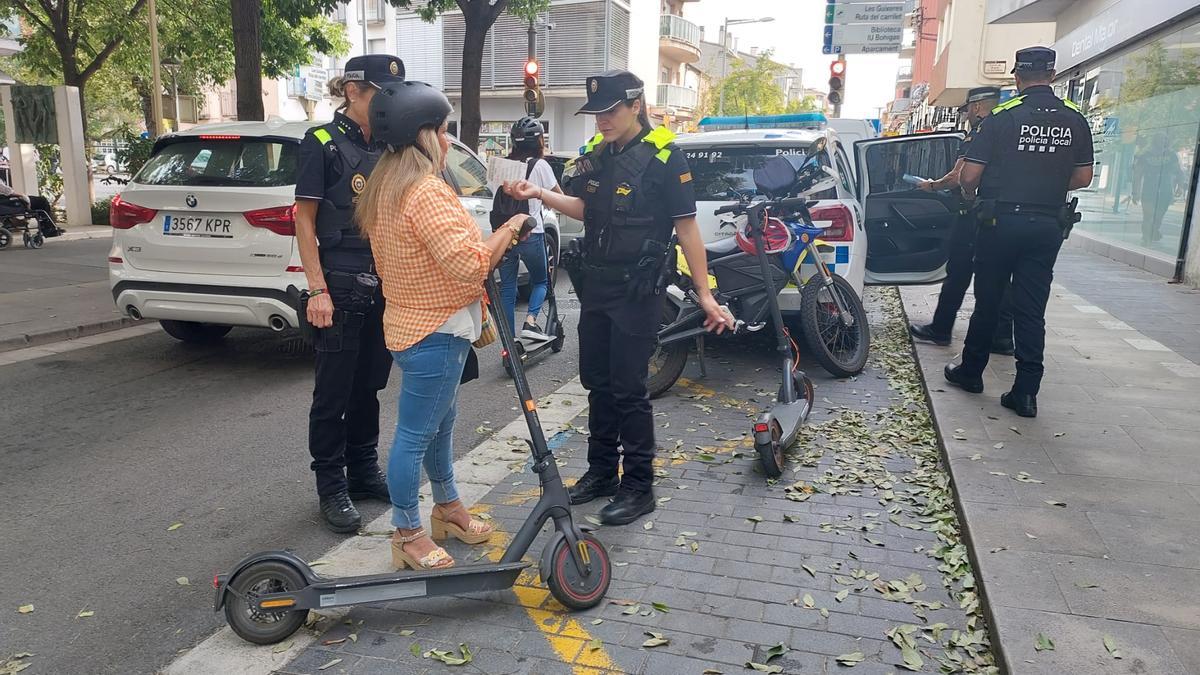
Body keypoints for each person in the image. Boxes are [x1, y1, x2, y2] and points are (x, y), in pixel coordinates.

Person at [505, 70, 728, 526]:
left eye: (610, 111)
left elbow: (687, 228)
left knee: (629, 389)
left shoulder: (665, 156)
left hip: (636, 290)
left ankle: (639, 486)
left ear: (636, 105)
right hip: (597, 285)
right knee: (597, 384)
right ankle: (602, 472)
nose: (601, 121)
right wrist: (540, 192)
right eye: (596, 113)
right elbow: (585, 210)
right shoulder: (597, 155)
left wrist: (704, 293)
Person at [357, 80, 531, 570]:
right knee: (416, 434)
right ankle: (408, 531)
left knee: (441, 424)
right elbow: (470, 265)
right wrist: (510, 228)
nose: (448, 138)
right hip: (436, 329)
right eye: (444, 129)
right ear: (424, 133)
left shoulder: (385, 185)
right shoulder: (425, 190)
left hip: (411, 325)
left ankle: (448, 508)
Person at [944, 47, 1094, 418]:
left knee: (989, 301)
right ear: (1053, 74)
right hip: (1046, 225)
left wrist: (976, 192)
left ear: (1017, 77)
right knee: (1031, 309)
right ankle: (1025, 392)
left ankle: (971, 373)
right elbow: (1083, 177)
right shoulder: (1075, 118)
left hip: (999, 222)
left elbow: (970, 176)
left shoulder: (1001, 118)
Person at [294, 54, 404, 532]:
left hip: (382, 284)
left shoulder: (388, 146)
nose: (388, 102)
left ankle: (362, 471)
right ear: (354, 90)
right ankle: (331, 485)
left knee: (370, 387)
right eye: (381, 92)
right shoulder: (320, 143)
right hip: (337, 283)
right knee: (333, 393)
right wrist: (317, 288)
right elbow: (304, 219)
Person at [910, 86, 1015, 355]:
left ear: (978, 107)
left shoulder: (982, 131)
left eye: (967, 108)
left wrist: (932, 187)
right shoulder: (1009, 128)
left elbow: (961, 176)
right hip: (1005, 214)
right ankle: (1002, 337)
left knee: (958, 272)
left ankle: (941, 329)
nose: (967, 113)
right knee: (999, 277)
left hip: (974, 214)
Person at [497, 117, 561, 341]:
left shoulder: (502, 164)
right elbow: (557, 198)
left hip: (505, 234)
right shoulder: (540, 165)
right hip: (531, 234)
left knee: (507, 287)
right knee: (542, 280)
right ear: (539, 141)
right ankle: (531, 322)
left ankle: (508, 340)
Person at [1130, 132, 1186, 246]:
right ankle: (1146, 238)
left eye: (1165, 139)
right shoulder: (1146, 155)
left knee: (1158, 217)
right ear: (1155, 140)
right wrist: (1135, 192)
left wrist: (1180, 186)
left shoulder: (1171, 155)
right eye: (1160, 139)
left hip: (1165, 190)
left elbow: (1179, 172)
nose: (1163, 141)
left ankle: (1153, 231)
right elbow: (1138, 174)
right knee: (1148, 216)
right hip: (1149, 190)